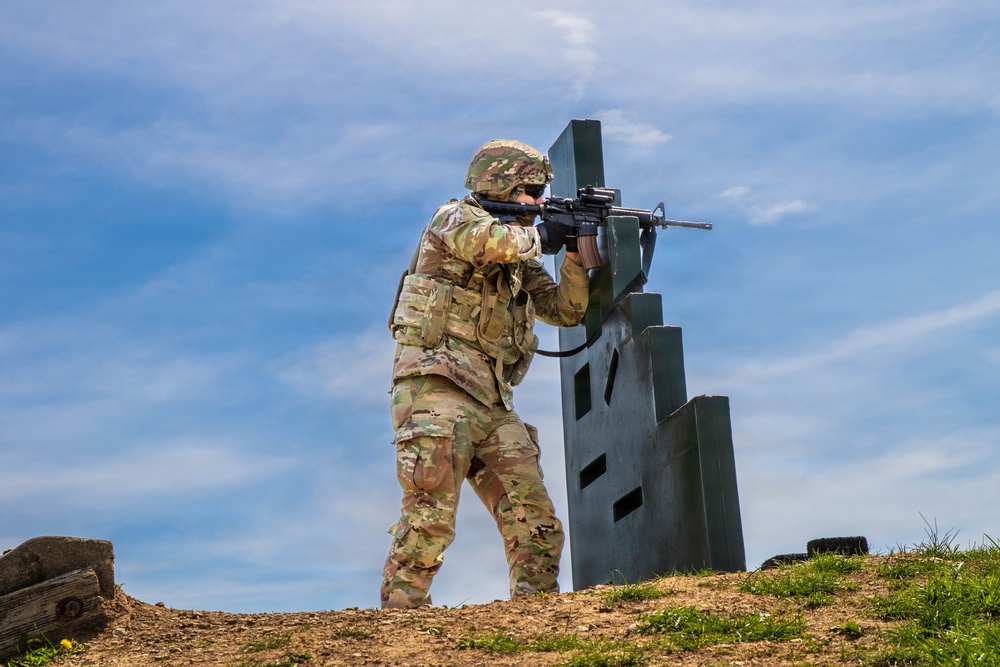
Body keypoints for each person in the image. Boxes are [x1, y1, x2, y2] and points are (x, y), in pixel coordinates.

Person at [380, 139, 591, 609]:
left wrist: (576, 251)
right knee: (429, 519)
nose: (539, 202)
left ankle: (532, 624)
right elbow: (487, 244)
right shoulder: (455, 219)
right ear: (499, 183)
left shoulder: (522, 256)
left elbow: (565, 310)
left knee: (536, 523)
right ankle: (396, 631)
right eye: (531, 191)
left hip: (492, 403)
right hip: (436, 390)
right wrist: (546, 236)